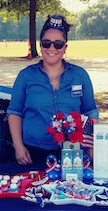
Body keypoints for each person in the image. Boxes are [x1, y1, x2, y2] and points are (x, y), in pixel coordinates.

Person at [8, 15, 99, 165]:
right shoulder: (26, 76)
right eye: (46, 43)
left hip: (73, 152)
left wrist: (91, 146)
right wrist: (18, 146)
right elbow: (15, 112)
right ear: (40, 45)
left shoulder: (80, 75)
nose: (51, 48)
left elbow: (90, 112)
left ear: (65, 47)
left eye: (58, 44)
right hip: (32, 153)